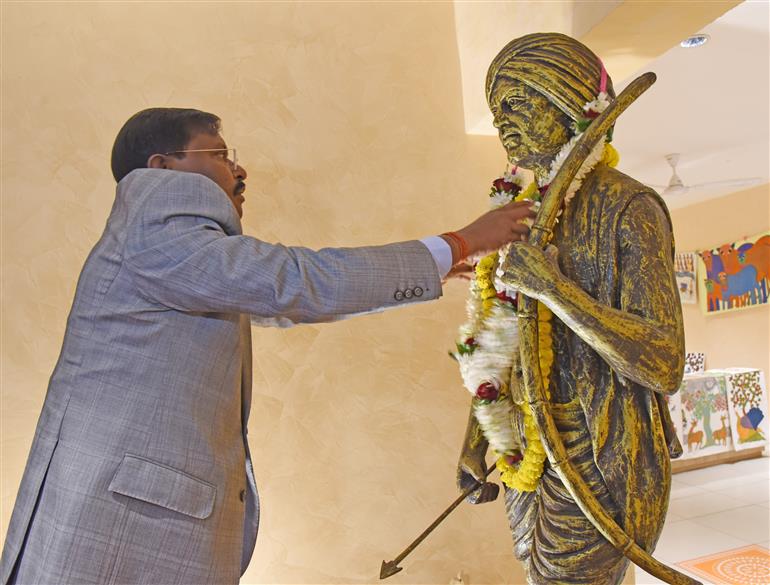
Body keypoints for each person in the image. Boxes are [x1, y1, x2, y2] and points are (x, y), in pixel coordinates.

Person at [0, 108, 535, 584]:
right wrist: (456, 243)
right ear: (161, 168)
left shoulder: (167, 247)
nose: (240, 170)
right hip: (123, 528)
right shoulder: (155, 211)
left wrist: (432, 271)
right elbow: (289, 281)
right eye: (220, 154)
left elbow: (276, 297)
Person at [455, 33, 684, 585]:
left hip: (598, 455)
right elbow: (500, 345)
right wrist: (478, 438)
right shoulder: (515, 214)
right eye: (494, 110)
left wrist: (556, 290)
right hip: (528, 457)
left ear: (564, 102)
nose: (502, 121)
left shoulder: (629, 206)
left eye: (516, 101)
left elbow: (663, 360)